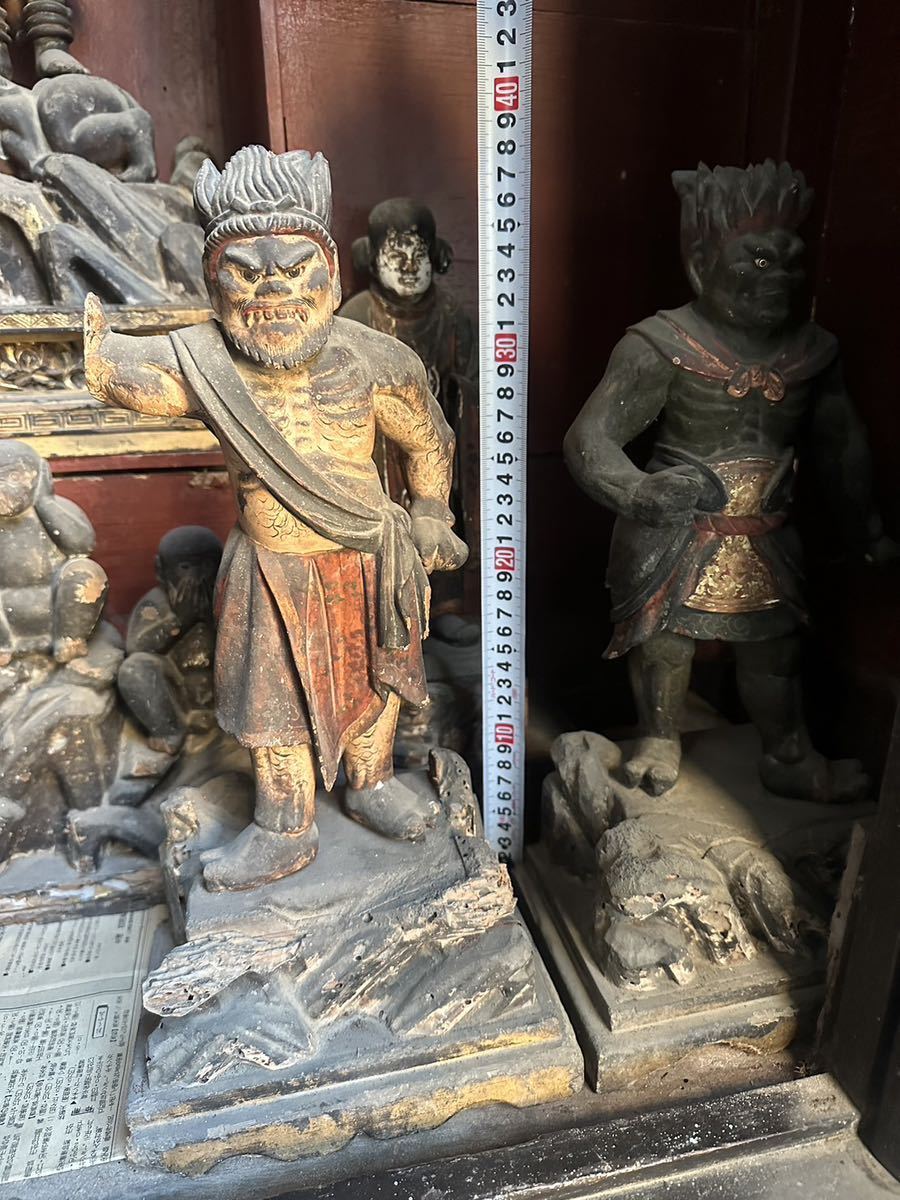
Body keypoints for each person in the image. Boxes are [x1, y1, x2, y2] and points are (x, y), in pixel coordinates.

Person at [83, 145, 467, 891]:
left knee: (380, 683)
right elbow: (137, 376)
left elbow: (429, 440)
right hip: (269, 566)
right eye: (248, 273)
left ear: (328, 270)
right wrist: (97, 355)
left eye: (294, 271)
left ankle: (373, 781)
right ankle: (283, 824)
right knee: (273, 704)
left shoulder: (375, 360)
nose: (274, 292)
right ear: (212, 279)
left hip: (368, 557)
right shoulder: (204, 361)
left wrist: (428, 511)